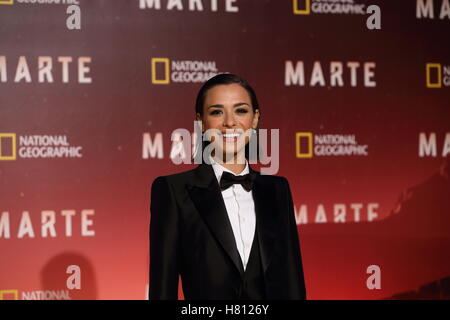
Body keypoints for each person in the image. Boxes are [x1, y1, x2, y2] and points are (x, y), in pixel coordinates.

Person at [149, 73, 306, 300]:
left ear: (254, 119)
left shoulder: (278, 189)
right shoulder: (173, 191)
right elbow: (162, 291)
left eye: (241, 110)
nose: (230, 122)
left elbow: (293, 283)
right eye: (217, 112)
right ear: (201, 122)